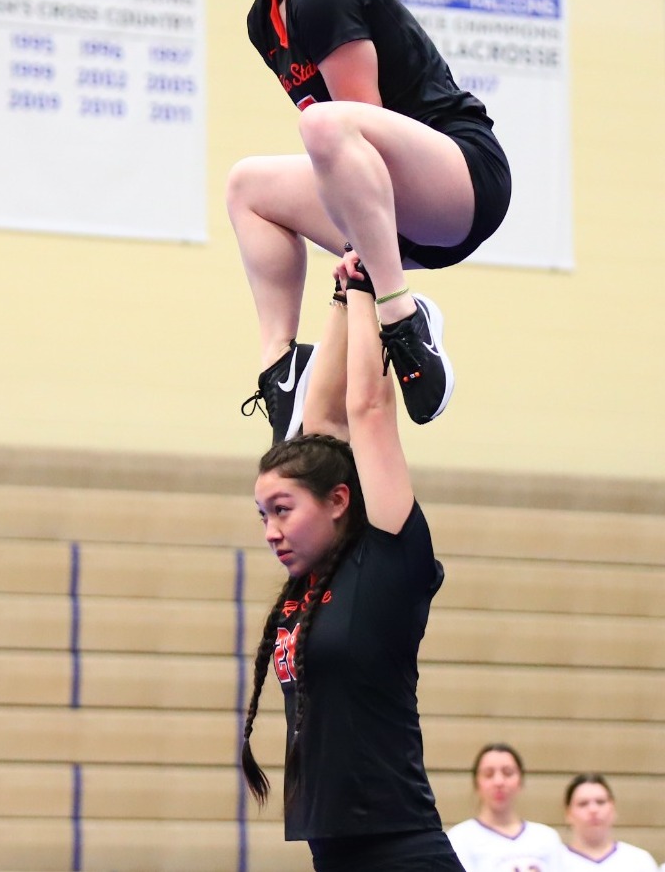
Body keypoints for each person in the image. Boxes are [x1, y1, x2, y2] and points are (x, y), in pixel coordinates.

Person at [191, 0, 513, 444]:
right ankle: (281, 370)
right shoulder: (265, 21)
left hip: (463, 179)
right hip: (398, 215)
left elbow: (360, 127)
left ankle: (402, 316)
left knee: (325, 127)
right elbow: (350, 164)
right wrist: (361, 238)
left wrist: (365, 253)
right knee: (247, 186)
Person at [238, 253, 463, 870]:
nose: (271, 531)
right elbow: (323, 423)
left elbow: (366, 415)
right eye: (263, 516)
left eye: (282, 510)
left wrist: (369, 294)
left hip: (402, 851)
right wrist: (338, 300)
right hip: (333, 854)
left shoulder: (387, 561)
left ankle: (408, 322)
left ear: (339, 502)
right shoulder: (312, 584)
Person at [447, 743, 564, 871]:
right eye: (489, 774)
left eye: (508, 773)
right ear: (476, 783)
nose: (499, 782)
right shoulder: (460, 838)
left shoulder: (546, 838)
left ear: (520, 781)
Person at [558, 774, 657, 872]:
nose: (593, 810)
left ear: (613, 808)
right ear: (568, 813)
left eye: (600, 802)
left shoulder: (639, 861)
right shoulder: (553, 862)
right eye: (583, 804)